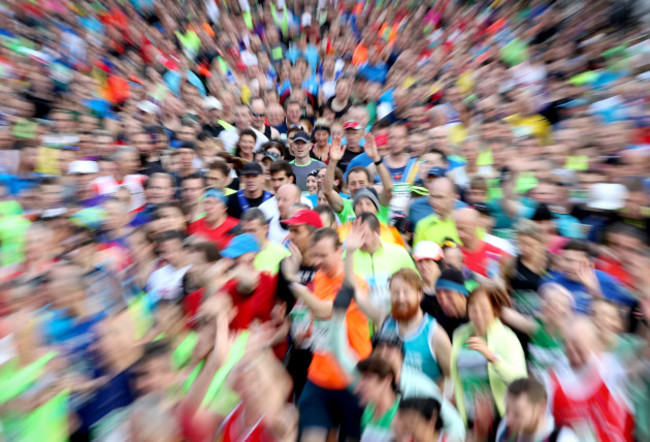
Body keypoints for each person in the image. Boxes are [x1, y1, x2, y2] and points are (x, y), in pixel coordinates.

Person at [281, 228, 371, 442]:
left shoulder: (354, 282)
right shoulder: (320, 277)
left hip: (353, 378)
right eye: (315, 255)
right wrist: (308, 332)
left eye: (323, 255)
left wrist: (292, 280)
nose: (318, 261)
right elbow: (318, 318)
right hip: (319, 376)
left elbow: (325, 310)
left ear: (339, 251)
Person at [450, 285, 527, 427]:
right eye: (473, 308)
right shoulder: (460, 335)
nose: (478, 314)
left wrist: (492, 358)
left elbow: (520, 381)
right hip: (469, 414)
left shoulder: (507, 338)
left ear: (495, 310)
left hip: (499, 417)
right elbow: (455, 374)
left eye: (484, 310)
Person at [344, 213, 417, 313]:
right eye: (356, 235)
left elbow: (416, 286)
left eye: (364, 236)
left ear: (377, 232)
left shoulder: (399, 254)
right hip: (361, 324)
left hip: (393, 322)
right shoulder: (347, 256)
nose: (359, 241)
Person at [543, 239, 636, 314]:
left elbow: (635, 302)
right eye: (565, 260)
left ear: (589, 264)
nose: (566, 265)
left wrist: (594, 290)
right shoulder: (551, 282)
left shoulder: (605, 280)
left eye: (572, 261)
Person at [496, 378, 580, 442]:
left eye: (517, 414)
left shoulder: (564, 438)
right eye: (507, 410)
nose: (508, 420)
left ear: (541, 408)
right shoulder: (504, 430)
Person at [354, 354, 401, 442]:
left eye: (367, 378)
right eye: (360, 379)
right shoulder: (367, 412)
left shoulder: (403, 414)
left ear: (387, 380)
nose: (358, 387)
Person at [454, 208, 511, 279]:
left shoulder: (495, 253)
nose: (459, 234)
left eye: (464, 229)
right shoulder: (454, 253)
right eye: (457, 229)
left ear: (475, 226)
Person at [146, 230, 192, 303]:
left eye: (173, 250)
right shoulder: (156, 275)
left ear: (186, 250)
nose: (169, 256)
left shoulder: (193, 271)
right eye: (164, 252)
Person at [241, 208, 291, 274]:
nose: (248, 235)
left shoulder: (282, 253)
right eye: (245, 231)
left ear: (266, 228)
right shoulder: (238, 255)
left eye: (252, 231)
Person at [414, 178, 461, 246]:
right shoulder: (422, 225)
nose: (434, 202)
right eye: (432, 197)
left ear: (453, 197)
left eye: (440, 197)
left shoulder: (465, 222)